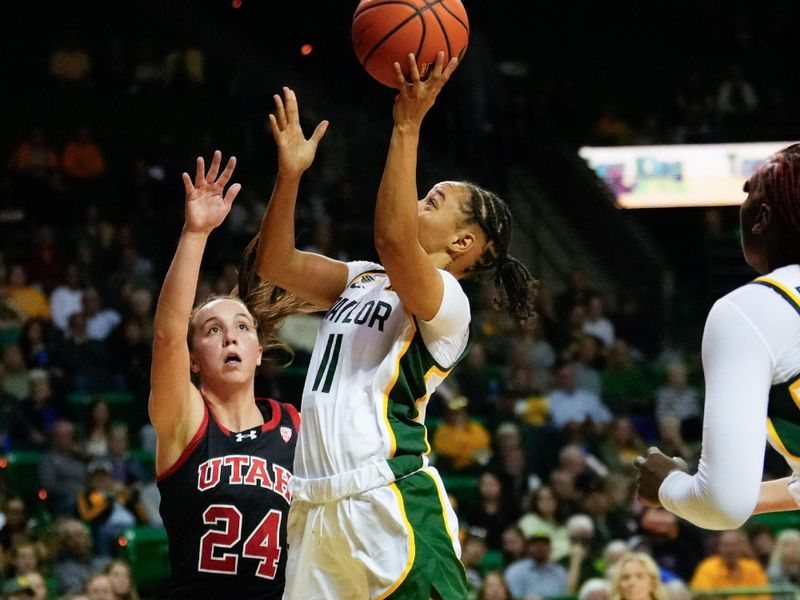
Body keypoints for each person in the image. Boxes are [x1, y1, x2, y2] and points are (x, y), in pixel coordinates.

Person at [255, 51, 537, 599]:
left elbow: (391, 238)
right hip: (311, 504)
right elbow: (276, 264)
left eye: (434, 200)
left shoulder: (449, 303)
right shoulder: (362, 278)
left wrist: (407, 123)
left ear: (463, 244)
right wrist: (289, 176)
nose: (418, 197)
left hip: (386, 497)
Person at [151, 151, 304, 598]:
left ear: (259, 351)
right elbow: (166, 333)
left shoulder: (298, 424)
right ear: (193, 358)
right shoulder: (185, 421)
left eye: (242, 328)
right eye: (212, 331)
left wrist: (290, 177)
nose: (230, 338)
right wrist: (196, 232)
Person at [634, 144, 800, 527]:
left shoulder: (752, 309)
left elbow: (721, 505)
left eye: (746, 194)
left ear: (762, 217)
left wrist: (666, 485)